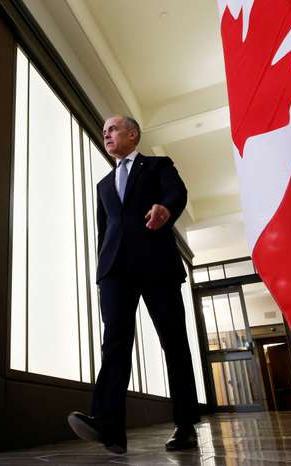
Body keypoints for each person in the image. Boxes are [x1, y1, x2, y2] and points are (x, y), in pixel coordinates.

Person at [67, 116, 200, 454]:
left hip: (156, 263)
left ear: (132, 134)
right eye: (104, 132)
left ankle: (185, 426)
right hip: (115, 272)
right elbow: (103, 232)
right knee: (114, 342)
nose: (106, 134)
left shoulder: (157, 165)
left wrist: (165, 209)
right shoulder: (103, 185)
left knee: (174, 342)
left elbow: (177, 192)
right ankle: (110, 427)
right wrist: (101, 271)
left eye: (113, 129)